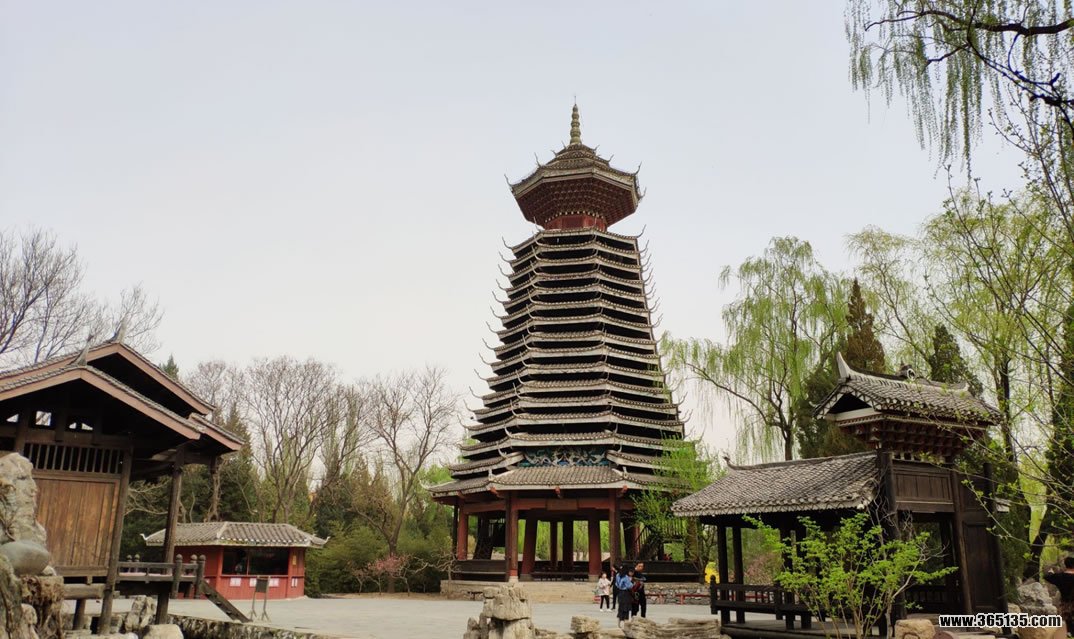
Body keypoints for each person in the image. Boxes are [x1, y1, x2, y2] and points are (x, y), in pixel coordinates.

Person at [1045, 557, 1074, 632]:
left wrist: (1050, 572)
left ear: (1065, 565)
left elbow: (1047, 576)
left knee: (1066, 629)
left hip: (1064, 607)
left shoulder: (1060, 577)